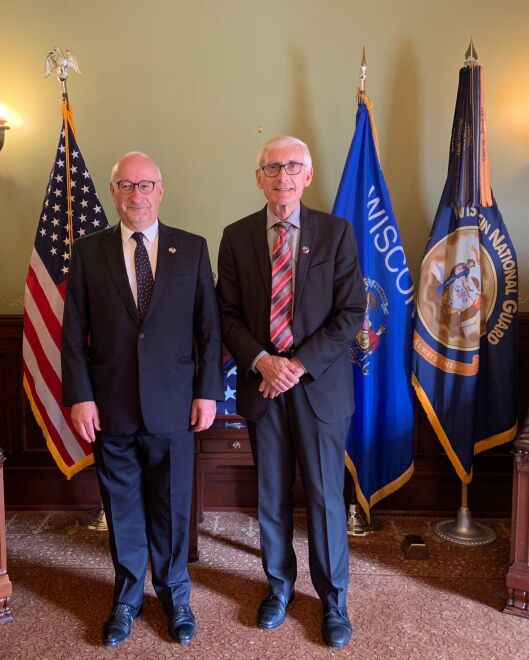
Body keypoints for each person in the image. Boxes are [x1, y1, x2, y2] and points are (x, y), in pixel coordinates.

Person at [62, 151, 223, 647]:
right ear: (114, 192)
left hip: (176, 406)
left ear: (161, 190)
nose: (138, 195)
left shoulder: (192, 249)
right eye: (127, 185)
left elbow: (210, 332)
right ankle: (127, 597)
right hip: (110, 406)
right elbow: (74, 334)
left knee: (173, 508)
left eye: (146, 185)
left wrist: (208, 393)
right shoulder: (89, 251)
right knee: (123, 508)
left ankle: (175, 594)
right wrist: (81, 397)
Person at [217, 136, 366, 649]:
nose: (283, 176)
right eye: (273, 167)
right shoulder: (235, 238)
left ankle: (333, 600)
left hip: (318, 388)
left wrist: (297, 365)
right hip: (264, 387)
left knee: (325, 498)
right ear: (259, 177)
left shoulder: (336, 233)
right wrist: (263, 361)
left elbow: (351, 312)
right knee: (271, 497)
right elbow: (227, 315)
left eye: (293, 167)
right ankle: (278, 588)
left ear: (308, 175)